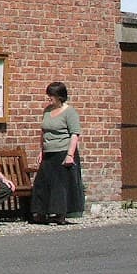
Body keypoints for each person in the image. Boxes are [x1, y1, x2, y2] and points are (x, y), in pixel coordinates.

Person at [30, 81, 84, 224]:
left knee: (60, 185)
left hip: (63, 151)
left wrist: (70, 155)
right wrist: (41, 150)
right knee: (41, 183)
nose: (49, 99)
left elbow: (74, 134)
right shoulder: (47, 110)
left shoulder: (70, 112)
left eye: (52, 96)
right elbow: (43, 132)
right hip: (49, 152)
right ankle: (40, 212)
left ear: (60, 96)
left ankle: (60, 214)